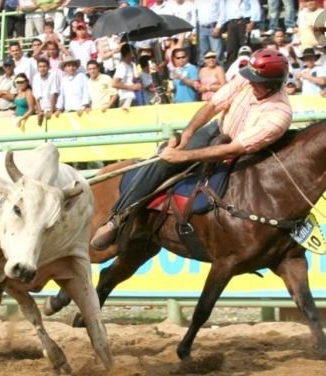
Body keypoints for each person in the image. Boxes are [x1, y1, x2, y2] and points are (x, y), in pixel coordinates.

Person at [90, 48, 292, 250]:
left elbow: (233, 149)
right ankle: (117, 217)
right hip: (218, 129)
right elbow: (213, 106)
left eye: (256, 80)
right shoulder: (246, 79)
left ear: (272, 85)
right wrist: (187, 134)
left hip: (244, 153)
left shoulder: (279, 114)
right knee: (164, 161)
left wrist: (183, 156)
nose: (250, 82)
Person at [32, 57, 60, 124]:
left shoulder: (53, 75)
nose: (42, 69)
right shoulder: (36, 77)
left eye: (44, 66)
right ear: (37, 68)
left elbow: (54, 94)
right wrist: (39, 111)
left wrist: (51, 111)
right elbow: (36, 97)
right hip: (41, 109)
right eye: (40, 67)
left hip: (53, 108)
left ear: (48, 67)